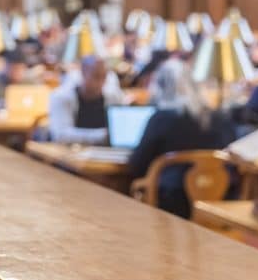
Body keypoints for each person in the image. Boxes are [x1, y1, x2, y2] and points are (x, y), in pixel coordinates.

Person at [128, 59, 237, 217]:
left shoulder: (162, 119)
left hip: (170, 204)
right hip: (219, 200)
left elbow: (137, 165)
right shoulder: (220, 118)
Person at [46, 55, 126, 144]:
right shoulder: (61, 97)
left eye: (104, 76)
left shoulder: (114, 97)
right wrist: (103, 136)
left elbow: (121, 131)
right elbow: (61, 135)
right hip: (69, 153)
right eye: (96, 76)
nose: (101, 81)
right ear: (83, 73)